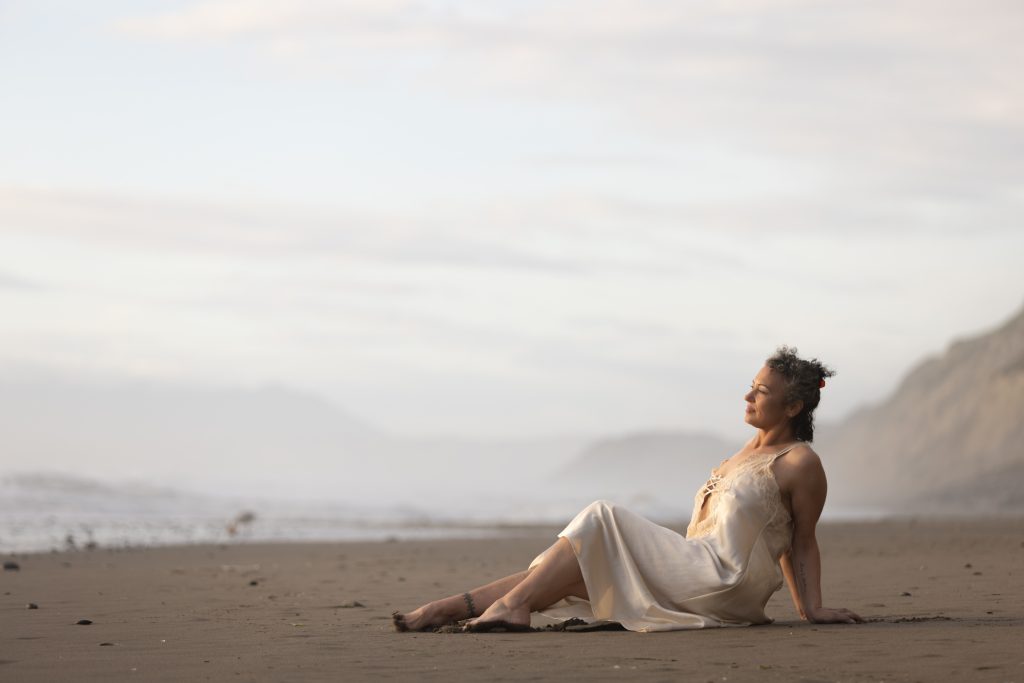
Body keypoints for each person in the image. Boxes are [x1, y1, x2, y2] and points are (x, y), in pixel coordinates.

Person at [392, 345, 864, 633]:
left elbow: (801, 541)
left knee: (601, 516)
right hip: (692, 569)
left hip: (724, 582)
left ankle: (511, 606)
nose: (747, 396)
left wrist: (812, 609)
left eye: (760, 391)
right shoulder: (739, 454)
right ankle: (446, 609)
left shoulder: (800, 463)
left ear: (793, 406)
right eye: (751, 386)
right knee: (572, 566)